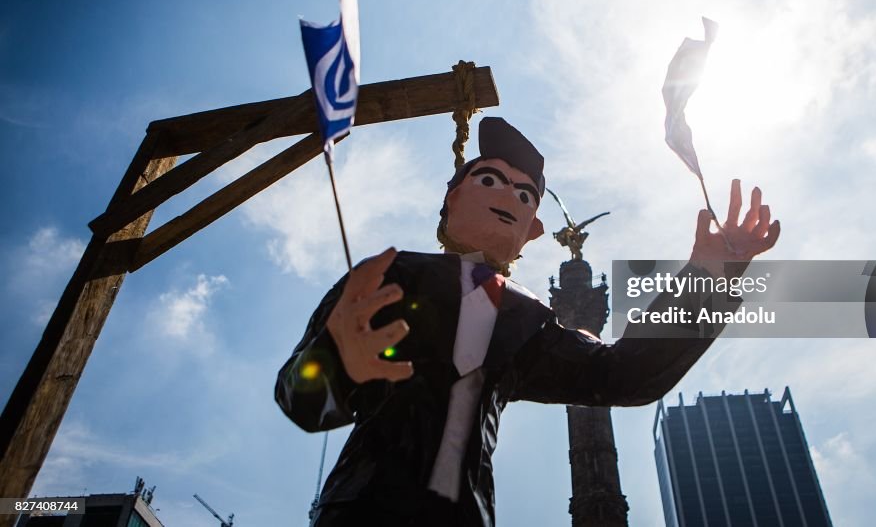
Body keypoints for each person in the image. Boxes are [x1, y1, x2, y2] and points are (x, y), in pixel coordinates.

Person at [276, 117, 780, 526]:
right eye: (490, 180)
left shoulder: (523, 317)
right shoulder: (390, 276)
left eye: (525, 195)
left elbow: (620, 374)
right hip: (364, 513)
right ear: (452, 197)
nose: (508, 198)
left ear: (533, 230)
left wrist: (710, 279)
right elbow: (300, 399)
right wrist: (336, 361)